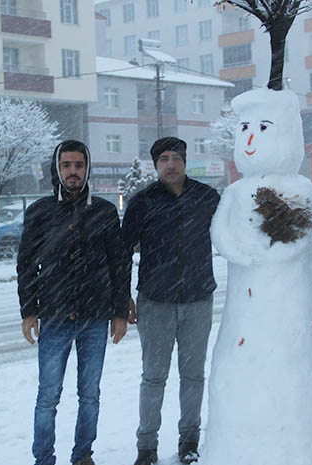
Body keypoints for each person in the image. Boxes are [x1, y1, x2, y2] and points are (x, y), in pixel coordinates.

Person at [17, 139, 130, 465]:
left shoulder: (104, 212)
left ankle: (83, 455)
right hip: (54, 317)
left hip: (95, 317)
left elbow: (119, 264)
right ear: (57, 169)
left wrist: (119, 312)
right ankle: (44, 459)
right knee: (48, 396)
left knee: (90, 395)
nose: (73, 172)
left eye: (79, 165)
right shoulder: (40, 212)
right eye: (66, 165)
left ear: (87, 168)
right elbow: (26, 265)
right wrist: (29, 311)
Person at [121, 137, 220, 465]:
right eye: (164, 158)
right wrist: (123, 296)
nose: (171, 164)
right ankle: (146, 447)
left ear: (185, 161)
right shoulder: (142, 202)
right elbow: (122, 252)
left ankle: (189, 441)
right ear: (155, 165)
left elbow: (233, 235)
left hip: (198, 299)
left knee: (193, 375)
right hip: (155, 301)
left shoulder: (207, 198)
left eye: (176, 158)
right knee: (153, 377)